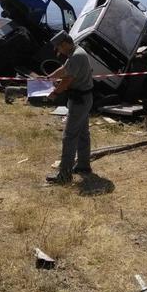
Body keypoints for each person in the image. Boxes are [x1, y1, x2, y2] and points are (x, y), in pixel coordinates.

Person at [45, 31, 94, 184]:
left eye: (58, 48)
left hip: (80, 100)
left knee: (69, 136)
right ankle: (83, 166)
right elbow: (64, 70)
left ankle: (64, 176)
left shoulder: (77, 56)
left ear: (64, 44)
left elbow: (67, 79)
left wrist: (54, 92)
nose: (58, 51)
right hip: (84, 99)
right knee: (83, 133)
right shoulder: (76, 53)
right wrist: (49, 78)